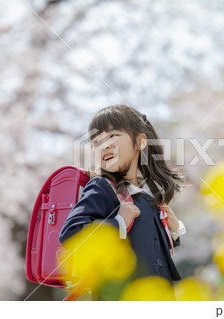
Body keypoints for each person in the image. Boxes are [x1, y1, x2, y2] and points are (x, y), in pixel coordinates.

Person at [59, 104, 187, 285]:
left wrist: (173, 233)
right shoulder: (102, 186)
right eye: (96, 141)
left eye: (113, 136)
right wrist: (117, 223)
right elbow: (71, 233)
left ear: (141, 141)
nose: (105, 145)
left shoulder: (148, 194)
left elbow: (147, 246)